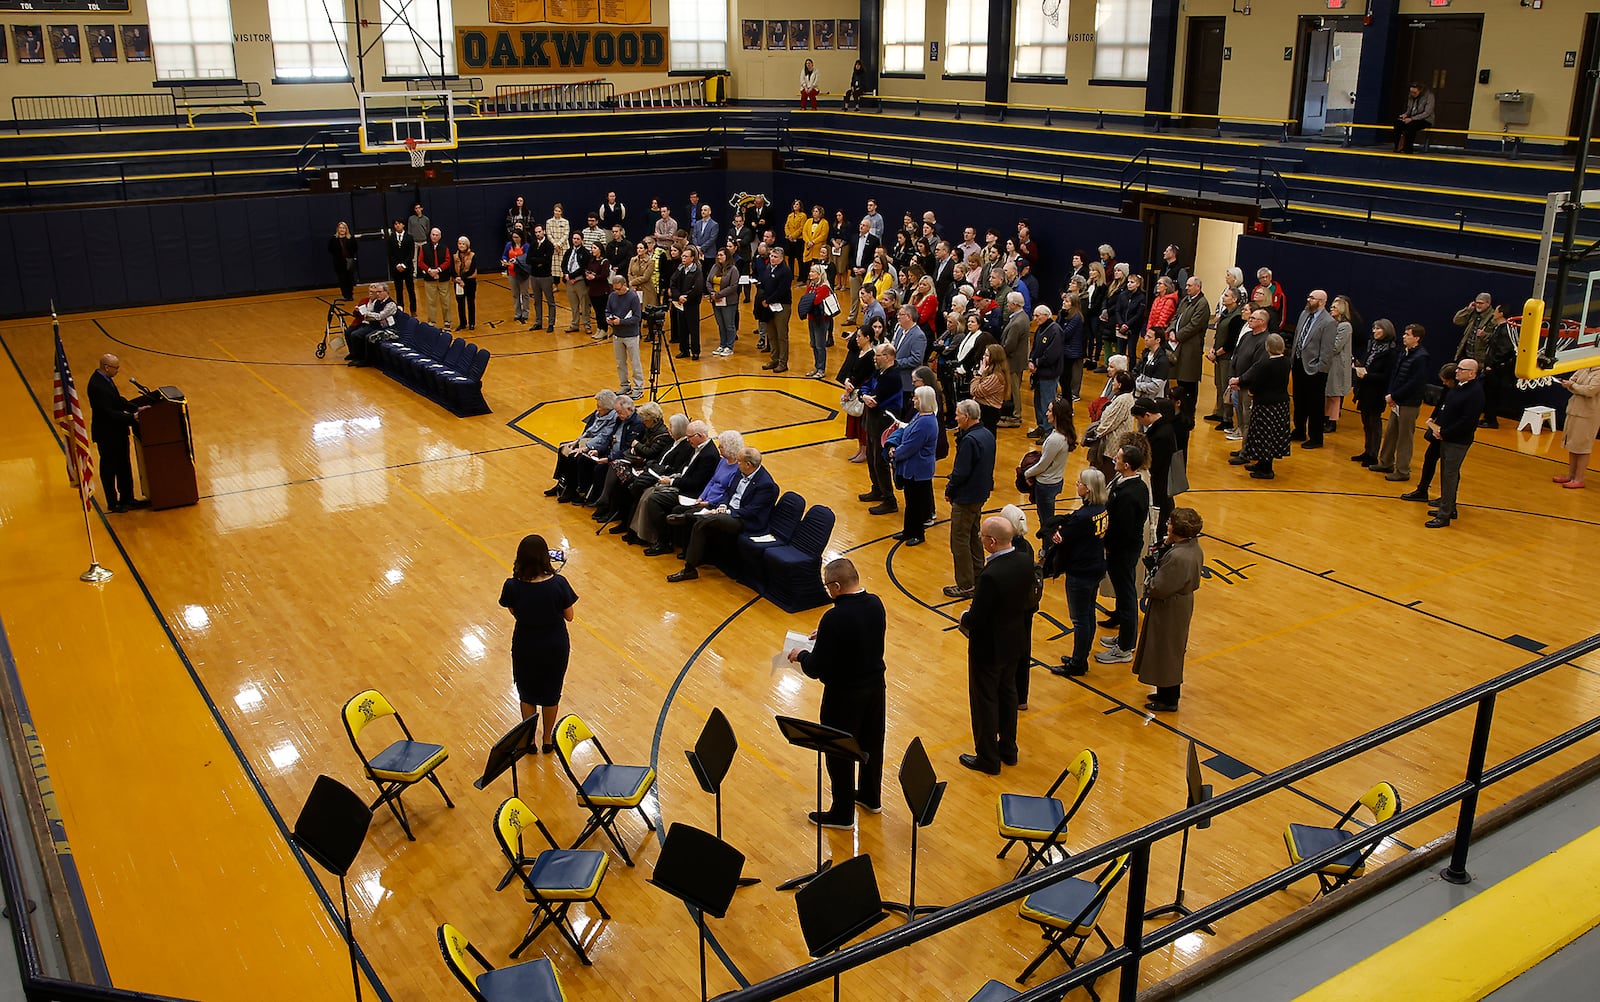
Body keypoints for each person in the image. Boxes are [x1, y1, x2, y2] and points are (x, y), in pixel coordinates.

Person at [788, 558, 887, 827]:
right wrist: (827, 634)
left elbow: (817, 667)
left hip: (844, 696)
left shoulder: (834, 617)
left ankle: (842, 813)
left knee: (839, 751)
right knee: (871, 745)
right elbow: (860, 633)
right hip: (876, 689)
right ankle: (870, 796)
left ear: (835, 585)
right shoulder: (876, 603)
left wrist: (802, 655)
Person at [958, 516, 1033, 774]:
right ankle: (1008, 749)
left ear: (991, 542)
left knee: (985, 702)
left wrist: (963, 617)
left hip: (989, 648)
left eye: (981, 537)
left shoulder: (991, 575)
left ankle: (988, 758)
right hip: (1014, 640)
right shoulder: (1024, 560)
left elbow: (976, 618)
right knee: (1008, 694)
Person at [498, 535, 578, 749]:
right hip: (555, 645)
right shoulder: (559, 584)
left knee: (527, 693)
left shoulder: (512, 586)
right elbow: (569, 616)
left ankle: (530, 739)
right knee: (552, 693)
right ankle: (548, 740)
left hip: (526, 644)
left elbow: (513, 611)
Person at [666, 447, 780, 581]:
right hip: (728, 511)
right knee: (704, 521)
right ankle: (691, 566)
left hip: (745, 520)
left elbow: (751, 511)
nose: (737, 464)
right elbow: (728, 493)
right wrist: (723, 505)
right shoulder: (741, 472)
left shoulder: (766, 485)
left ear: (748, 465)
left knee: (707, 519)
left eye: (739, 462)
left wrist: (727, 511)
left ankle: (688, 520)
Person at [1133, 507, 1204, 712]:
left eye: (1171, 524)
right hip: (1177, 603)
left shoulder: (1179, 557)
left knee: (1166, 649)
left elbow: (1158, 587)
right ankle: (1165, 691)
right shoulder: (1191, 547)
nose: (1168, 526)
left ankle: (1169, 698)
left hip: (1170, 606)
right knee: (1167, 648)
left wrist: (1149, 579)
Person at [1045, 468, 1109, 678]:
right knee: (1088, 614)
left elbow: (1059, 538)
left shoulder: (1083, 516)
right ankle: (1081, 656)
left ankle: (1078, 663)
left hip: (1080, 570)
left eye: (1080, 482)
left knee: (1080, 619)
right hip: (1096, 564)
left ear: (1088, 489)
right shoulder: (1102, 508)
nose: (1077, 484)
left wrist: (1057, 528)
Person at [1094, 444, 1151, 665]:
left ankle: (1126, 647)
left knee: (1126, 596)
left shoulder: (1131, 493)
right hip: (1121, 548)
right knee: (1123, 593)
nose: (1114, 460)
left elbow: (1122, 529)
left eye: (1117, 458)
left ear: (1126, 465)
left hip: (1123, 551)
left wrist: (1108, 545)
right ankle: (1125, 638)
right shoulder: (1125, 482)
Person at [944, 399, 997, 600]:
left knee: (959, 540)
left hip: (966, 497)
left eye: (957, 414)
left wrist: (950, 489)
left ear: (966, 417)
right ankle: (978, 576)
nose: (955, 417)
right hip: (980, 494)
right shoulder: (987, 434)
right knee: (974, 536)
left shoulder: (969, 441)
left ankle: (966, 585)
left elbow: (960, 472)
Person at [1425, 358, 1483, 528]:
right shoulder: (1459, 387)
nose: (1457, 371)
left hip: (1457, 441)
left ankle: (1444, 516)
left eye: (1461, 369)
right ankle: (1450, 508)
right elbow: (1447, 408)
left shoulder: (1475, 393)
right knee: (1448, 473)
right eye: (1458, 368)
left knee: (1449, 475)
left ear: (1472, 374)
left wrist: (1445, 432)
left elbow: (1467, 421)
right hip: (1446, 437)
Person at [87, 353, 147, 513]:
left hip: (118, 432)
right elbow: (107, 412)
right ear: (106, 367)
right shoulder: (97, 385)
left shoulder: (105, 380)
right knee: (109, 469)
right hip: (107, 434)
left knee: (124, 466)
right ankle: (113, 503)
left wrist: (136, 408)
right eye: (116, 367)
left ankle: (127, 499)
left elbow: (117, 400)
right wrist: (131, 417)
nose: (118, 371)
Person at [1374, 323, 1431, 481]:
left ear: (1417, 338)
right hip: (1397, 400)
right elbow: (1396, 374)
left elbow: (1415, 383)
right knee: (1391, 432)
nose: (1404, 337)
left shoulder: (1421, 357)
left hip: (1409, 403)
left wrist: (1395, 396)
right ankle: (1385, 462)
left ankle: (1403, 470)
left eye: (1408, 334)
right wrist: (1391, 394)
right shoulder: (1405, 352)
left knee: (1405, 437)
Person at [1234, 333, 1292, 480]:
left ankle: (1266, 469)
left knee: (1263, 435)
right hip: (1280, 404)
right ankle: (1261, 463)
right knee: (1272, 435)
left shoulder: (1265, 364)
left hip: (1266, 405)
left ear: (1268, 347)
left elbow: (1257, 384)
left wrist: (1252, 392)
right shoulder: (1286, 362)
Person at [859, 342, 904, 514]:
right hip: (873, 421)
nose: (875, 358)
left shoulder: (893, 376)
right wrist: (864, 395)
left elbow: (878, 397)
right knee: (871, 457)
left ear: (888, 357)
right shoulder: (879, 371)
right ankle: (877, 489)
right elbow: (866, 385)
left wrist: (868, 397)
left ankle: (889, 500)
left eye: (877, 355)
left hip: (884, 423)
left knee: (881, 461)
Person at [892, 386, 939, 545]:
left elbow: (911, 445)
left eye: (916, 398)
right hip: (913, 467)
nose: (913, 400)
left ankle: (918, 534)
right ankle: (908, 531)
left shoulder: (926, 422)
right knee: (910, 502)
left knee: (916, 504)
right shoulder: (920, 416)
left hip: (919, 469)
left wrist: (895, 453)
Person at [1290, 289, 1336, 449]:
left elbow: (1327, 350)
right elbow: (1297, 337)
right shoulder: (1304, 314)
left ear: (1322, 302)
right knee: (1298, 399)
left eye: (1312, 298)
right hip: (1298, 364)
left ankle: (1316, 438)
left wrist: (1319, 369)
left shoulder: (1329, 322)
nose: (1308, 300)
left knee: (1315, 405)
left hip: (1315, 370)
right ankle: (1299, 430)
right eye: (1308, 296)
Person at [1024, 397, 1078, 529]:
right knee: (1047, 520)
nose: (1046, 413)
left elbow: (1043, 465)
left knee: (1046, 523)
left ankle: (1048, 548)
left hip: (1046, 484)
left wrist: (1026, 473)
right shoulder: (1063, 434)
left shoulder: (1055, 439)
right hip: (1055, 480)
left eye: (1049, 411)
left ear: (1056, 415)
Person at [1351, 319, 1398, 467]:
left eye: (1378, 329)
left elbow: (1386, 376)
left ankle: (1373, 454)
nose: (1374, 331)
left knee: (1374, 423)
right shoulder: (1372, 346)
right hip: (1365, 389)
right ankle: (1367, 450)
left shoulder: (1391, 352)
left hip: (1377, 391)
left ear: (1386, 331)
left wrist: (1367, 375)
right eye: (1374, 328)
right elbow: (1368, 364)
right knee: (1366, 422)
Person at [1556, 365, 1600, 489]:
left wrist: (1573, 386)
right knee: (1573, 444)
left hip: (1588, 414)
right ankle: (1571, 475)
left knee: (1583, 447)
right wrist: (1572, 386)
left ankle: (1579, 479)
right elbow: (1572, 381)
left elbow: (1590, 391)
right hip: (1574, 409)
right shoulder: (1584, 368)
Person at [1206, 286, 1244, 430]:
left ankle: (1227, 418)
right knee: (1218, 384)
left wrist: (1217, 353)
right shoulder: (1225, 313)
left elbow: (1231, 342)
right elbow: (1218, 333)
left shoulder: (1237, 316)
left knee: (1226, 387)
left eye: (1227, 296)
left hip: (1227, 357)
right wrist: (1212, 349)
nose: (1223, 298)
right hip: (1218, 355)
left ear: (1234, 299)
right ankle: (1219, 411)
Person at [605, 273, 644, 397]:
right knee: (620, 362)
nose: (616, 291)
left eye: (619, 289)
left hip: (631, 335)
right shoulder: (612, 296)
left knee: (635, 362)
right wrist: (608, 318)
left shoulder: (633, 297)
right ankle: (625, 386)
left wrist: (620, 321)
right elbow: (608, 310)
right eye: (614, 289)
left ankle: (639, 388)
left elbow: (637, 318)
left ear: (625, 285)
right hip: (617, 335)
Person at [343, 282, 399, 367]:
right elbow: (373, 315)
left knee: (357, 335)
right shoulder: (377, 301)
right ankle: (357, 356)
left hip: (385, 328)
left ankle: (364, 359)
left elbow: (379, 316)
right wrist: (370, 316)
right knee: (351, 332)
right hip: (373, 324)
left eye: (379, 292)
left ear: (386, 292)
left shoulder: (391, 304)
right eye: (376, 292)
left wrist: (369, 315)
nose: (377, 294)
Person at [758, 247, 794, 373]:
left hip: (782, 305)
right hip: (769, 305)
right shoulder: (768, 267)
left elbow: (781, 290)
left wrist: (768, 301)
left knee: (781, 335)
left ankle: (783, 362)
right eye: (771, 256)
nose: (772, 259)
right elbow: (763, 284)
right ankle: (774, 359)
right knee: (771, 334)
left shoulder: (786, 271)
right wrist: (763, 298)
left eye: (775, 257)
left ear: (782, 258)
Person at [1325, 295, 1356, 431]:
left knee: (1334, 393)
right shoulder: (1332, 323)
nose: (1331, 309)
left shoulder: (1345, 326)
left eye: (1334, 307)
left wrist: (1323, 347)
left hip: (1337, 365)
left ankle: (1332, 421)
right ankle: (1325, 418)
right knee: (1327, 393)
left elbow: (1336, 346)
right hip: (1328, 363)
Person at [798, 265, 834, 378]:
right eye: (810, 271)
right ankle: (816, 367)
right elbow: (806, 300)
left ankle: (821, 369)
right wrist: (810, 299)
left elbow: (815, 301)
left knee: (820, 345)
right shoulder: (811, 286)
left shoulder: (824, 287)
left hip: (821, 320)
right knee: (813, 344)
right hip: (811, 318)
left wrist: (810, 299)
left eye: (813, 272)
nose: (810, 274)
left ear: (819, 274)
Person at [669, 246, 704, 360]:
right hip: (680, 302)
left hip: (692, 304)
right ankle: (684, 350)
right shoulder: (680, 269)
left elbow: (698, 288)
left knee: (693, 328)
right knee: (682, 327)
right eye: (683, 256)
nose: (683, 258)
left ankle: (695, 351)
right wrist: (678, 296)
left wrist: (686, 297)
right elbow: (673, 283)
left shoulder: (697, 271)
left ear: (692, 258)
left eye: (686, 256)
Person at [416, 227, 453, 331]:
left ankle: (447, 322)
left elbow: (447, 261)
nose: (434, 237)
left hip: (443, 279)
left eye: (437, 235)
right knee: (431, 301)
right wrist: (430, 271)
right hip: (429, 279)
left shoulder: (444, 248)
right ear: (430, 235)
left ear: (440, 237)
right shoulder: (424, 248)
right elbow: (420, 262)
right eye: (433, 234)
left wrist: (438, 270)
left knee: (445, 301)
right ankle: (432, 322)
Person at [707, 247, 740, 357]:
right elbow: (708, 281)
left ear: (727, 256)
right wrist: (712, 293)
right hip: (715, 300)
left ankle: (729, 346)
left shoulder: (733, 269)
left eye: (721, 255)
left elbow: (733, 286)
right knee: (721, 324)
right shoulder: (715, 267)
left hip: (728, 301)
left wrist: (719, 294)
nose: (719, 257)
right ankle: (722, 344)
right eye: (718, 255)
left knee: (729, 324)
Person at [970, 343, 1010, 433]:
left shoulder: (996, 377)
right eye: (984, 354)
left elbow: (974, 391)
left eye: (987, 355)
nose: (984, 358)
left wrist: (979, 375)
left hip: (989, 412)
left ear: (995, 358)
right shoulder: (989, 372)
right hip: (984, 409)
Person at [560, 232, 593, 335]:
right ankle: (574, 324)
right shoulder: (569, 251)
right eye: (574, 238)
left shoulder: (586, 253)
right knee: (574, 305)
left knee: (584, 305)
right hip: (569, 281)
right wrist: (566, 274)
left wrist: (572, 276)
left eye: (578, 239)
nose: (575, 240)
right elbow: (563, 264)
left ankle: (587, 325)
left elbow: (583, 267)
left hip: (580, 281)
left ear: (582, 240)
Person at [526, 224, 557, 331]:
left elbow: (547, 260)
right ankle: (538, 322)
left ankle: (551, 323)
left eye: (539, 231)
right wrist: (539, 260)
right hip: (534, 276)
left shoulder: (548, 245)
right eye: (536, 232)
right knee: (537, 300)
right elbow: (528, 259)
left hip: (546, 277)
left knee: (550, 301)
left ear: (544, 231)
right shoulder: (533, 244)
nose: (538, 234)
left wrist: (537, 260)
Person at [1394, 81, 1435, 154]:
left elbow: (1427, 112)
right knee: (1398, 123)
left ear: (1420, 91)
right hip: (1412, 117)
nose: (1412, 94)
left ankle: (1408, 149)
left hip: (1425, 119)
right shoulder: (1411, 96)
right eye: (1411, 92)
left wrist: (1412, 119)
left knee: (1411, 126)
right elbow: (1410, 109)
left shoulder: (1429, 96)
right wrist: (1405, 114)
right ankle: (1397, 146)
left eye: (1414, 92)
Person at [386, 219, 416, 313]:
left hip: (407, 267)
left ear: (403, 225)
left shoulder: (409, 237)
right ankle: (400, 310)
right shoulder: (391, 238)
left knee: (410, 290)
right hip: (396, 269)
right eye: (395, 224)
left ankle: (413, 310)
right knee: (398, 291)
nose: (397, 225)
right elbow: (390, 254)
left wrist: (403, 264)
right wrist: (397, 265)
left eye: (399, 224)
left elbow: (411, 253)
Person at [502, 230, 529, 324]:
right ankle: (517, 313)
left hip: (523, 273)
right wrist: (505, 260)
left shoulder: (526, 246)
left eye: (517, 237)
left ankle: (525, 313)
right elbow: (505, 254)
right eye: (513, 237)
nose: (515, 239)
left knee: (525, 294)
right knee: (515, 294)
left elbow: (527, 257)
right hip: (512, 272)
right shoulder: (509, 245)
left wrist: (517, 260)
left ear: (521, 237)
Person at [328, 221, 357, 301]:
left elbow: (355, 248)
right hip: (339, 262)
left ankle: (350, 294)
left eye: (343, 228)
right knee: (342, 279)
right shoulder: (334, 239)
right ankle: (345, 295)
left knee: (349, 279)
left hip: (349, 261)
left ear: (346, 229)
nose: (342, 229)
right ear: (338, 229)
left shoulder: (350, 239)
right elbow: (330, 249)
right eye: (340, 228)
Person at [453, 236, 477, 331]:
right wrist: (457, 278)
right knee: (460, 303)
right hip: (458, 282)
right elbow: (452, 269)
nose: (461, 245)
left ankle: (472, 323)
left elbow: (471, 270)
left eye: (463, 244)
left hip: (469, 281)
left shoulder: (472, 255)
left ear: (467, 245)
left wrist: (462, 278)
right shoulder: (454, 256)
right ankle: (462, 323)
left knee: (470, 302)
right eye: (460, 243)